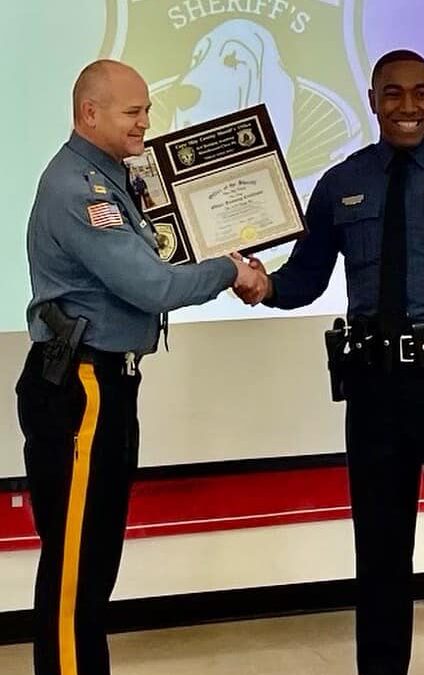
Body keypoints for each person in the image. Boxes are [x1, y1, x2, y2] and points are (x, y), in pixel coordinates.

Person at [242, 50, 424, 675]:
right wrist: (261, 286)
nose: (409, 107)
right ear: (373, 102)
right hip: (375, 389)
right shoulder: (340, 184)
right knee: (378, 553)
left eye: (421, 93)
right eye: (395, 95)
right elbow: (304, 279)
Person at [15, 59, 264, 675]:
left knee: (93, 561)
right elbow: (149, 284)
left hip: (106, 383)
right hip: (81, 387)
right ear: (89, 113)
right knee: (76, 569)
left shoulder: (118, 177)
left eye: (148, 110)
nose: (145, 124)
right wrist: (229, 271)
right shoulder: (81, 189)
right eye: (133, 112)